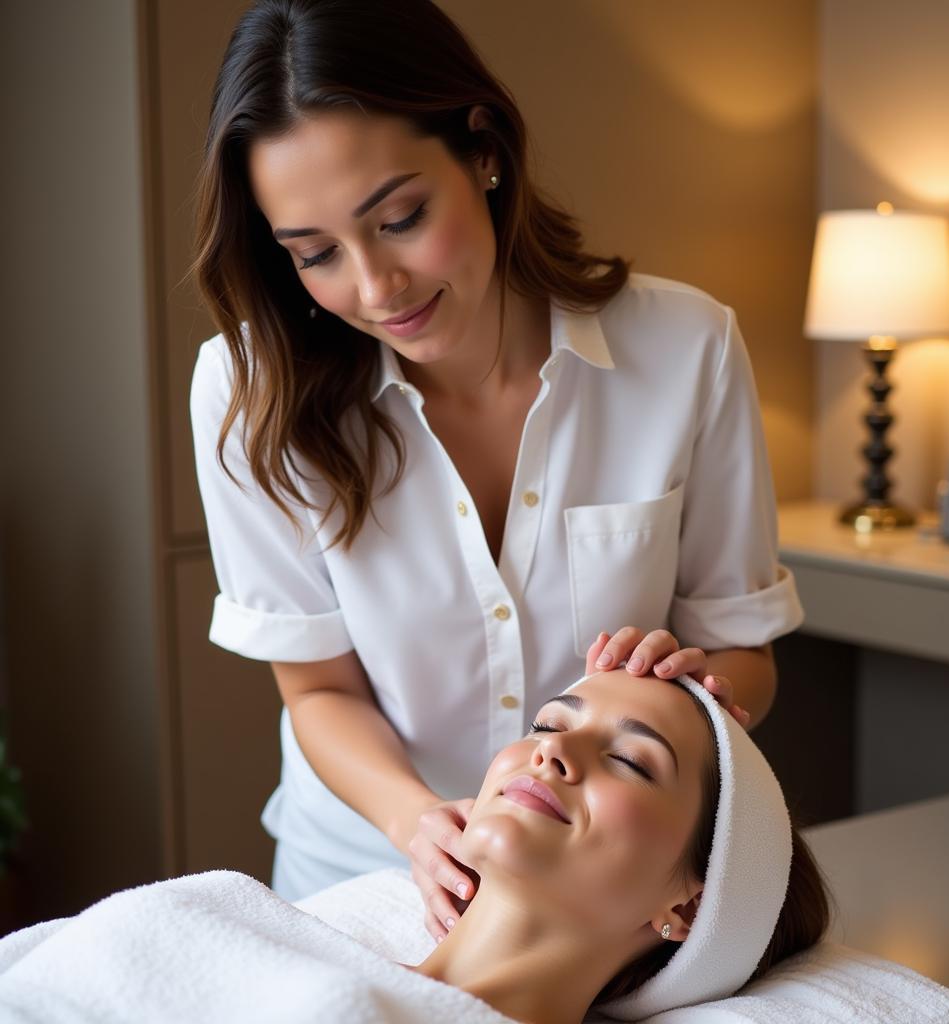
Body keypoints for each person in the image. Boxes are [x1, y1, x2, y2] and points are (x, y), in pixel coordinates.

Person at [188, 0, 806, 936]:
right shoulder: (248, 393)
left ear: (483, 149)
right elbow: (317, 689)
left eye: (400, 218)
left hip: (604, 895)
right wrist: (415, 824)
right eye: (314, 254)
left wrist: (689, 687)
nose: (373, 287)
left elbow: (743, 655)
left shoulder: (687, 350)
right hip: (363, 871)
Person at [0, 670, 830, 1024]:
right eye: (549, 722)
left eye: (629, 759)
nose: (550, 751)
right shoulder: (236, 921)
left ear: (686, 900)